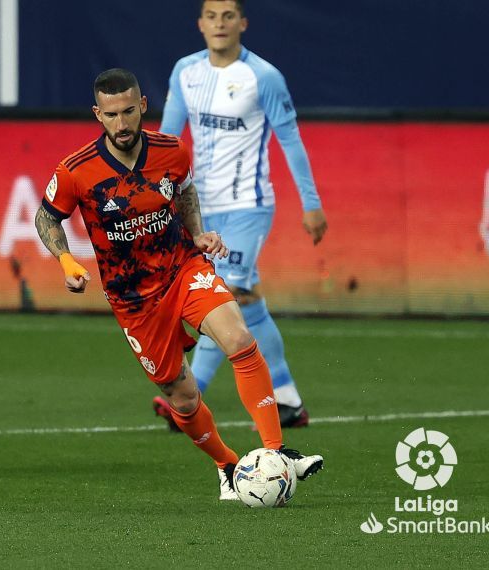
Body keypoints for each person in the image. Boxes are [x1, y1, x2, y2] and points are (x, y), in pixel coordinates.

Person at [34, 68, 321, 500]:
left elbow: (186, 192)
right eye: (111, 115)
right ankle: (227, 466)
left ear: (143, 106)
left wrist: (199, 232)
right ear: (98, 114)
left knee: (239, 338)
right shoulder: (77, 170)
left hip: (182, 267)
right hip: (133, 299)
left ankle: (276, 452)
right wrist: (65, 259)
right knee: (183, 399)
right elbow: (46, 217)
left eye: (129, 111)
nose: (122, 123)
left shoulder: (172, 151)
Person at [156, 0, 328, 429]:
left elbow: (290, 140)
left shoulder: (263, 77)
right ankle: (287, 400)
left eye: (228, 16)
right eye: (211, 16)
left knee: (227, 290)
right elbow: (167, 138)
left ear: (242, 23)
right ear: (199, 24)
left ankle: (191, 393)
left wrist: (311, 203)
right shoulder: (185, 72)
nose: (219, 24)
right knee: (245, 300)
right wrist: (152, 192)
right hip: (200, 209)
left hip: (249, 206)